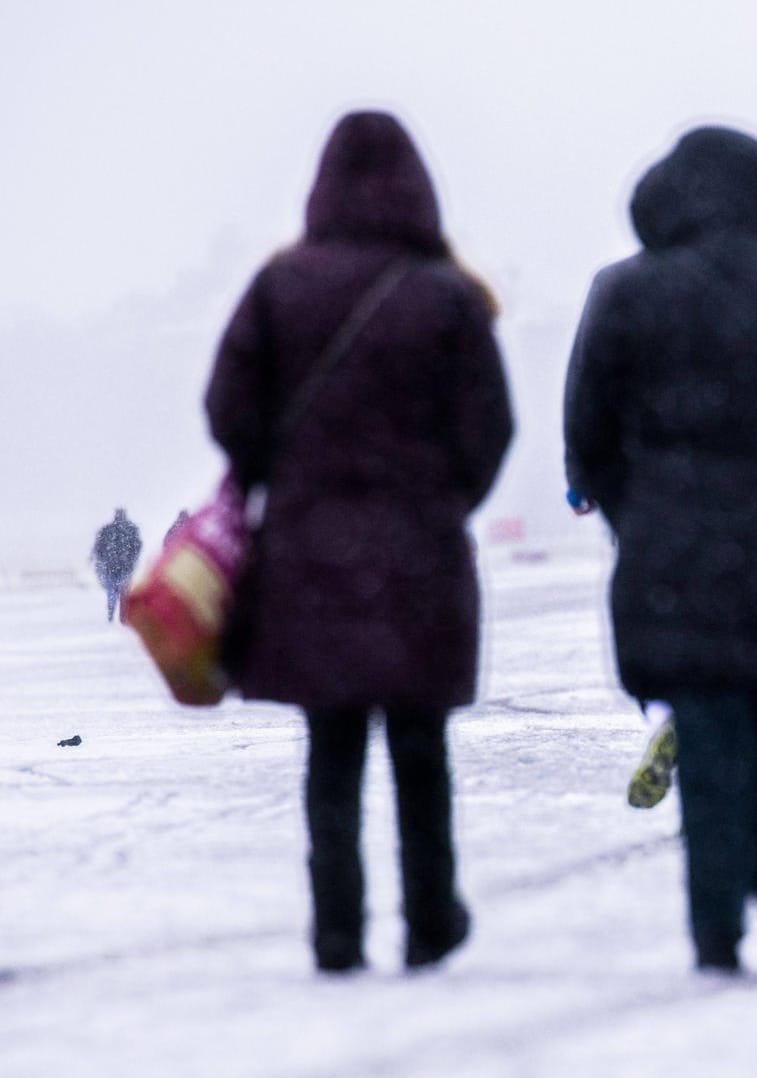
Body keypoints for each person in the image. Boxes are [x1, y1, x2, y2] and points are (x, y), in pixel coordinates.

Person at [563, 126, 757, 974]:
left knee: (707, 744)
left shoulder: (629, 294)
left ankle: (716, 934)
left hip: (676, 556)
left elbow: (589, 433)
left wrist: (641, 515)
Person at [204, 112, 513, 974]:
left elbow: (229, 410)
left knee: (331, 750)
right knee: (421, 752)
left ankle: (336, 929)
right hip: (420, 554)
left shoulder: (280, 288)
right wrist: (442, 499)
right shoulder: (448, 296)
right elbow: (489, 428)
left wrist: (285, 479)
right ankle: (428, 920)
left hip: (310, 555)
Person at [90, 509, 142, 622]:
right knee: (124, 590)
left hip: (110, 566)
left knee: (111, 590)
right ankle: (123, 614)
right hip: (125, 566)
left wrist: (100, 559)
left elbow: (98, 547)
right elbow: (138, 546)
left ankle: (111, 611)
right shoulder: (131, 529)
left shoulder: (107, 530)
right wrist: (132, 559)